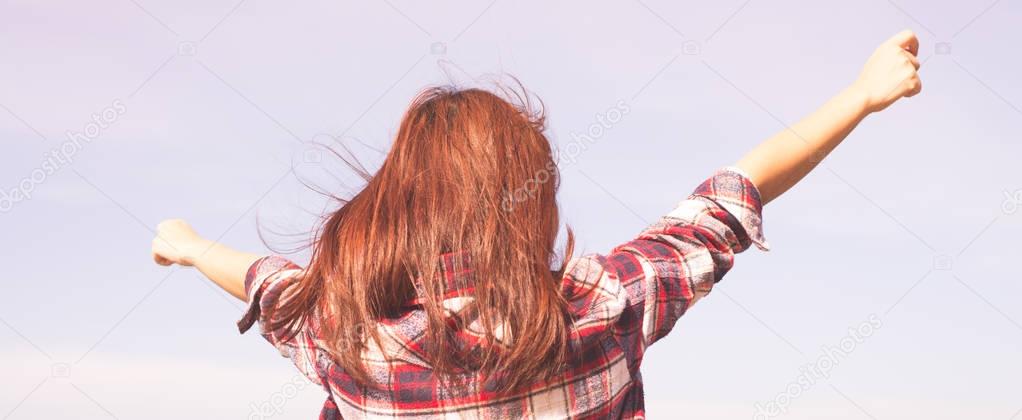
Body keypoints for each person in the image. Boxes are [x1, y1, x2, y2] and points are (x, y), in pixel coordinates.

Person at [151, 30, 922, 419]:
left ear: (402, 206)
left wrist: (187, 248)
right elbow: (735, 192)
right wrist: (858, 97)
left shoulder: (346, 335)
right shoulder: (604, 305)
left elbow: (264, 279)